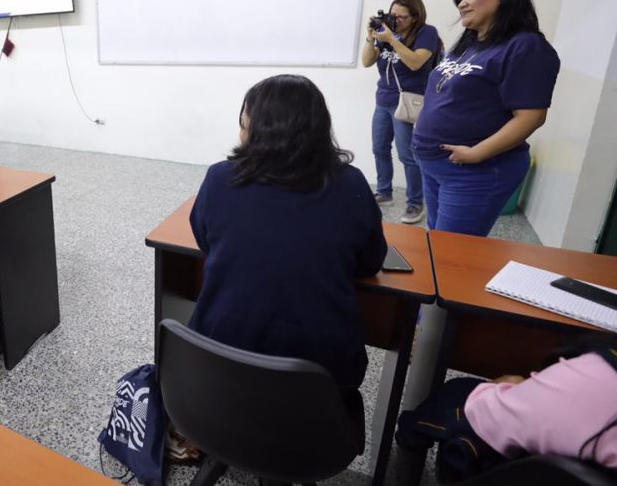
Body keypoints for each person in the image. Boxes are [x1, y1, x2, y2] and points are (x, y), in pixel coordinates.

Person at [188, 75, 387, 419]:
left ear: (256, 129)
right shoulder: (351, 184)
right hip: (322, 378)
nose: (240, 132)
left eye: (243, 124)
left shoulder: (221, 178)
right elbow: (370, 262)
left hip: (218, 361)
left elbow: (204, 239)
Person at [412, 0, 560, 236]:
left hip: (473, 169)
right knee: (437, 241)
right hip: (434, 162)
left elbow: (531, 117)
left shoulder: (525, 46)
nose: (462, 4)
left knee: (452, 251)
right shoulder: (469, 44)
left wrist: (476, 153)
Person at [397, 338, 617, 480]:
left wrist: (511, 391)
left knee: (459, 393)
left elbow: (484, 413)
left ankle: (408, 443)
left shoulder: (593, 378)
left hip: (516, 471)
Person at [361, 0, 441, 225]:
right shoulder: (387, 32)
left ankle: (415, 202)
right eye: (392, 15)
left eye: (401, 17)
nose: (395, 20)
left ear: (415, 17)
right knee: (379, 148)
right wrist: (371, 37)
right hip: (383, 100)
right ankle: (384, 192)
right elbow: (367, 61)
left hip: (408, 101)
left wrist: (392, 40)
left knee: (407, 154)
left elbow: (416, 62)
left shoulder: (426, 32)